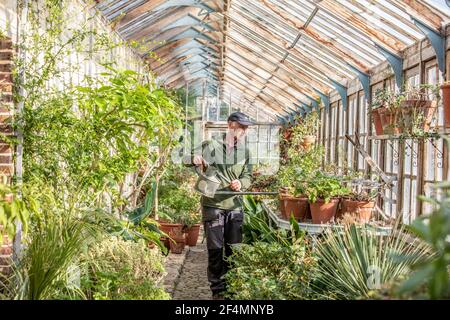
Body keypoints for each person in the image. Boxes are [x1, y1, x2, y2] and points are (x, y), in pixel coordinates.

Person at [183, 111, 253, 300]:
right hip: (213, 205)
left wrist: (241, 183)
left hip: (235, 206)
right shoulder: (211, 145)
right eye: (242, 127)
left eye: (246, 128)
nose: (245, 131)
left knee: (234, 250)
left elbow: (248, 176)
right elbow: (186, 159)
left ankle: (232, 288)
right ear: (231, 125)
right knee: (215, 250)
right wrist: (193, 158)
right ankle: (218, 291)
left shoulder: (245, 152)